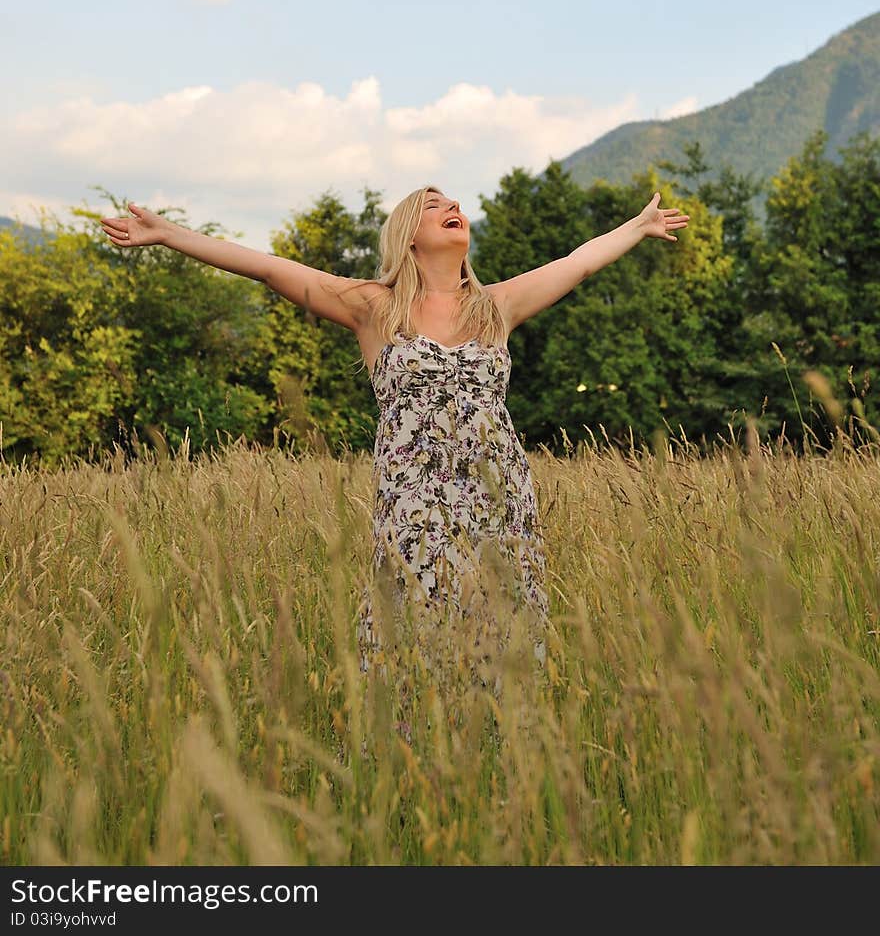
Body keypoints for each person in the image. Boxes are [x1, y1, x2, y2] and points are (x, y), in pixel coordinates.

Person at [100, 186, 689, 691]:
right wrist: (169, 234)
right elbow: (270, 268)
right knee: (415, 634)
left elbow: (579, 262)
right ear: (410, 234)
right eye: (435, 206)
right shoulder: (375, 309)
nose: (452, 207)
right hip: (416, 507)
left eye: (455, 202)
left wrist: (637, 228)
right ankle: (413, 772)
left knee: (503, 633)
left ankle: (500, 766)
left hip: (500, 502)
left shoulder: (495, 308)